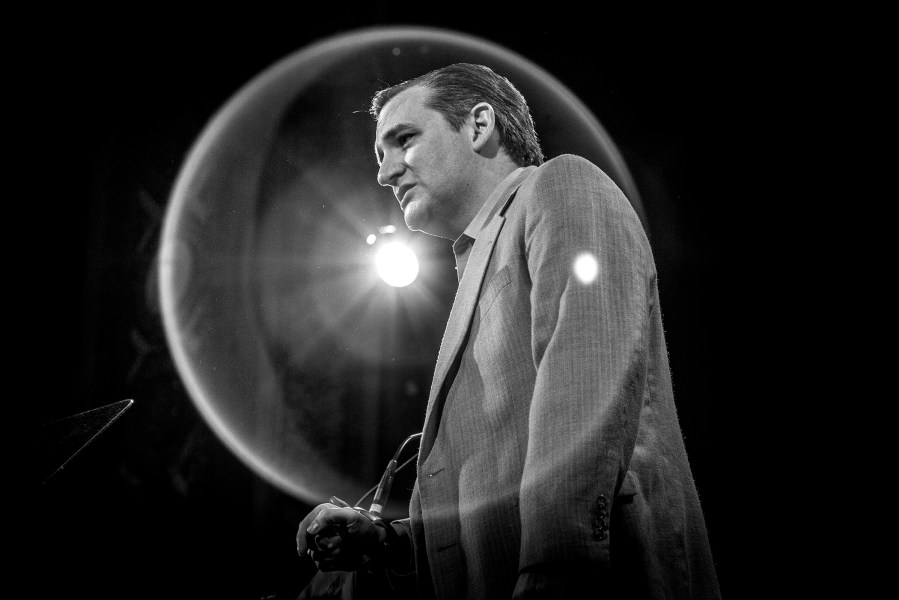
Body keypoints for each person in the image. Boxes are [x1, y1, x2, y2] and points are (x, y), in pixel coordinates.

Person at [295, 63, 721, 600]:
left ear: (479, 126)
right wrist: (388, 543)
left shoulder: (561, 184)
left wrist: (557, 567)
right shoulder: (477, 263)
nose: (385, 173)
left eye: (403, 140)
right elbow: (486, 509)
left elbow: (585, 386)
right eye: (380, 156)